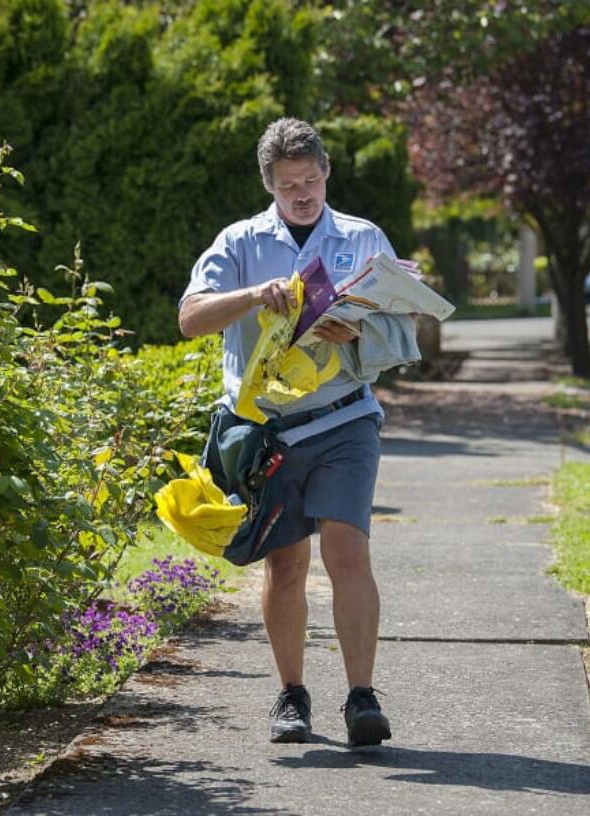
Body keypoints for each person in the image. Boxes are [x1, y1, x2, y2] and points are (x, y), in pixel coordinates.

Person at [178, 117, 394, 747]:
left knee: (347, 550)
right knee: (286, 563)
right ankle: (291, 696)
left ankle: (362, 698)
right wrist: (252, 296)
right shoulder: (241, 241)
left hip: (346, 418)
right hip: (269, 432)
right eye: (288, 185)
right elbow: (190, 317)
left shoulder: (361, 237)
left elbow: (403, 330)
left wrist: (359, 332)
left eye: (311, 179)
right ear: (269, 185)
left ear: (327, 173)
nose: (302, 194)